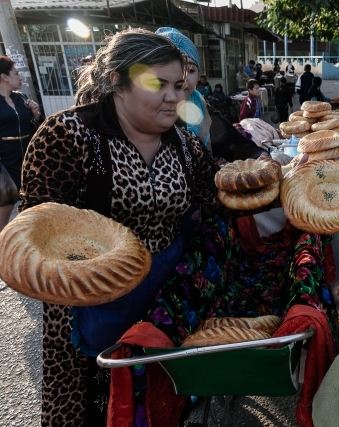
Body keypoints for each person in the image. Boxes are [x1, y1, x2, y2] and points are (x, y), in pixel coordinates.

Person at [18, 28, 219, 426]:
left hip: (163, 306)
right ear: (117, 81)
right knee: (102, 407)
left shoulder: (184, 143)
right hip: (91, 304)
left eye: (179, 86)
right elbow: (35, 230)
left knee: (159, 402)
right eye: (157, 84)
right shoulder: (69, 136)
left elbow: (214, 200)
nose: (175, 98)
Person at [0, 56, 41, 232]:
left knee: (30, 201)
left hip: (27, 157)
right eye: (16, 73)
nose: (20, 76)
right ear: (4, 77)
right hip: (5, 159)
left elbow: (35, 125)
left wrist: (35, 113)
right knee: (6, 202)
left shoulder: (21, 98)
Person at [156, 27, 212, 147]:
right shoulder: (147, 113)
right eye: (172, 70)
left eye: (191, 70)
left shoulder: (200, 105)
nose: (182, 79)